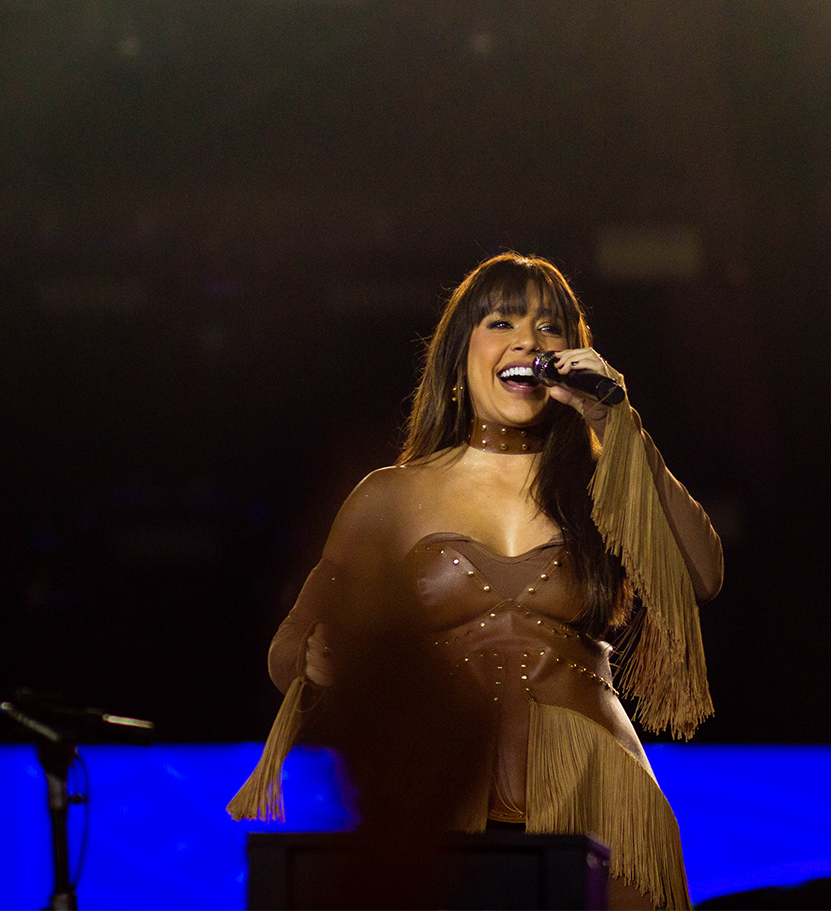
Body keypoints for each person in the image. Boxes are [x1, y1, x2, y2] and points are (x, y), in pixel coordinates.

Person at [228, 252, 723, 909]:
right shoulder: (391, 495)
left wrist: (615, 419)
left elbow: (701, 574)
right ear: (459, 356)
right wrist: (312, 658)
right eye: (502, 322)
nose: (528, 340)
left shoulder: (603, 488)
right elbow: (286, 647)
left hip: (599, 793)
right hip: (438, 793)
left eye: (549, 326)